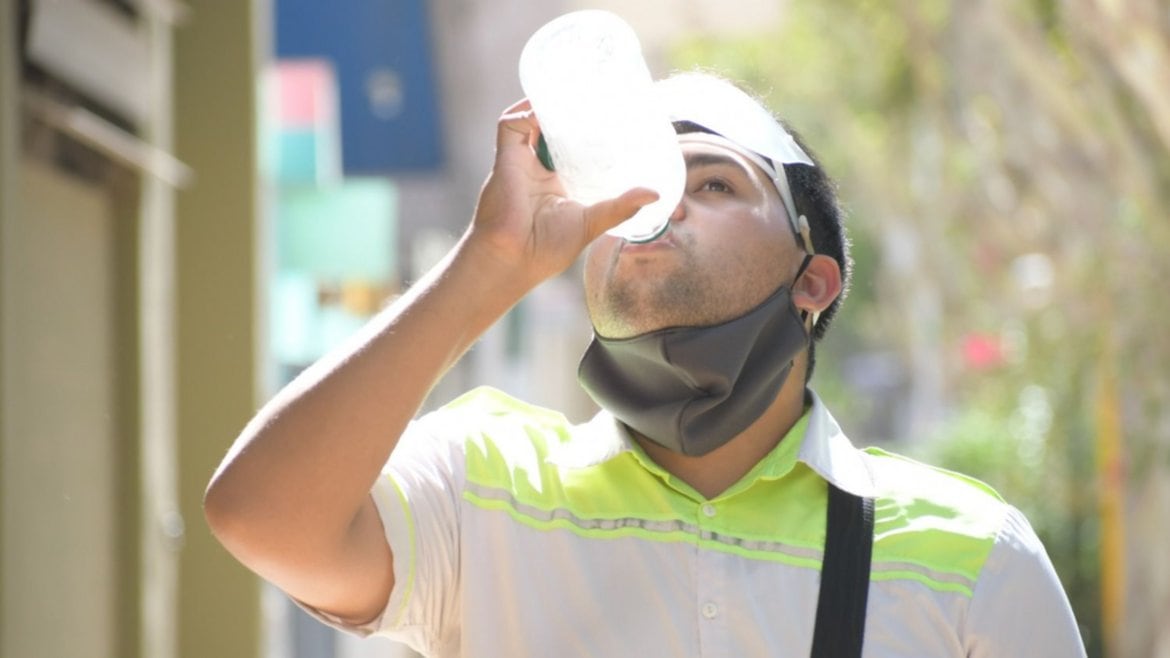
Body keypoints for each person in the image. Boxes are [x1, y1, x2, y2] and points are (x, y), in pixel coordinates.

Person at [204, 71, 1087, 657]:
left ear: (812, 279)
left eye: (711, 183)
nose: (657, 208)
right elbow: (261, 519)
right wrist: (490, 265)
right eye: (633, 186)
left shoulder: (973, 556)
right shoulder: (486, 485)